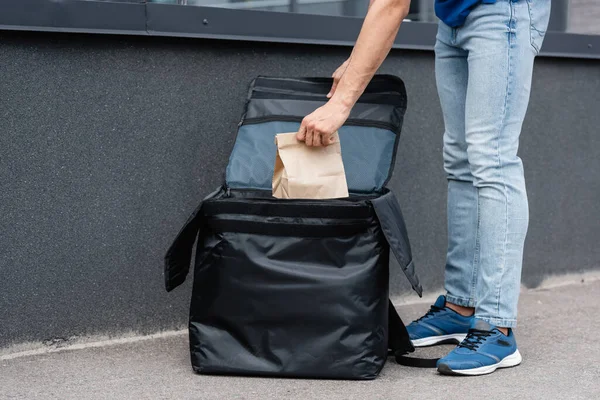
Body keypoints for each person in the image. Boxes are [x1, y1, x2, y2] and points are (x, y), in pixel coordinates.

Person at [297, 0, 551, 376]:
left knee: (491, 158)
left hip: (503, 11)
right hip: (453, 17)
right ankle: (461, 308)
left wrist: (345, 100)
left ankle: (497, 327)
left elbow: (392, 4)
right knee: (461, 159)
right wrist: (355, 64)